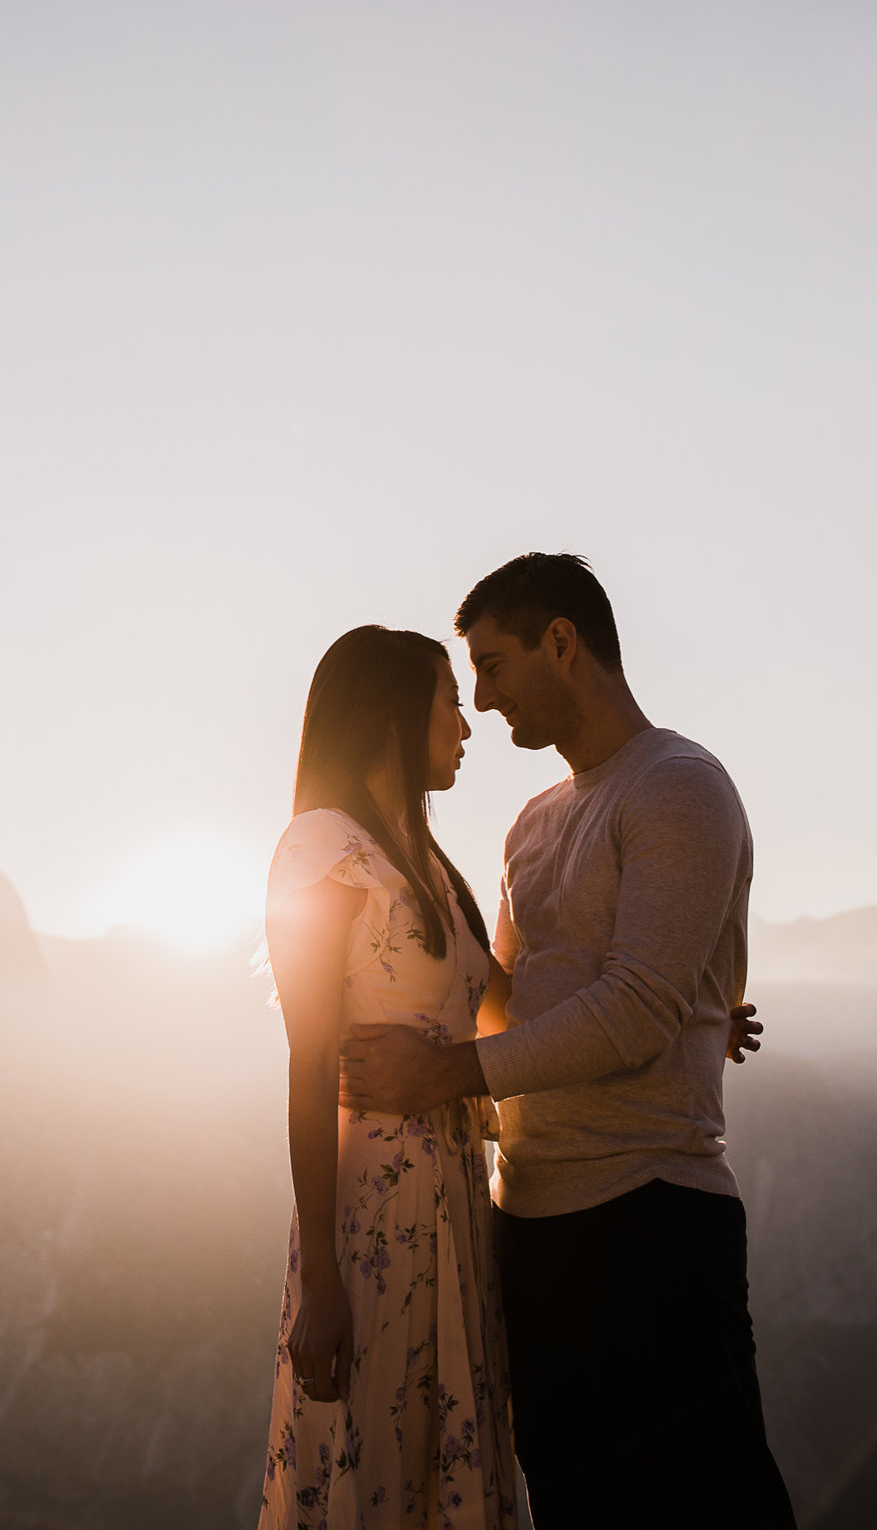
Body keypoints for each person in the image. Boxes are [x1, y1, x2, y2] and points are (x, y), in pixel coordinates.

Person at [339, 554, 793, 1527]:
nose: (483, 698)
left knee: (708, 1506)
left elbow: (632, 1010)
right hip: (531, 1230)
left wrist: (444, 1073)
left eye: (495, 666)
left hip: (650, 1219)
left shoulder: (676, 787)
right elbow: (515, 1003)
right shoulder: (532, 823)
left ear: (562, 641)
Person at [257, 625, 519, 1528]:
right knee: (379, 1467)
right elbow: (307, 1064)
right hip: (376, 1211)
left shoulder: (430, 866)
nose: (466, 724)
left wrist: (680, 1013)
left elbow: (513, 1007)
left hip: (455, 1205)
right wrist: (323, 1279)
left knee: (443, 1463)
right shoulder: (324, 846)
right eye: (450, 701)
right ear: (392, 715)